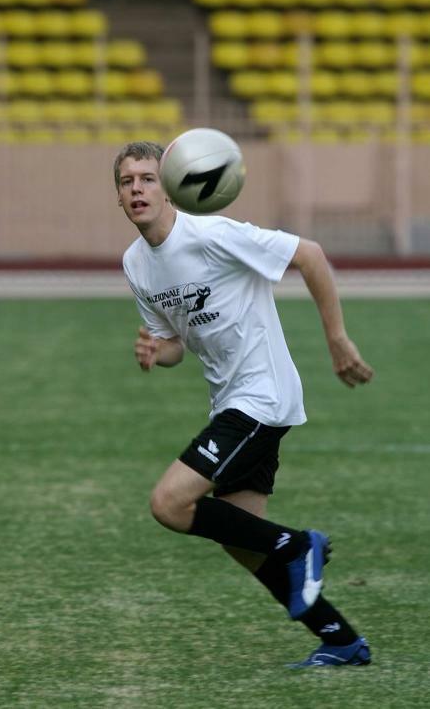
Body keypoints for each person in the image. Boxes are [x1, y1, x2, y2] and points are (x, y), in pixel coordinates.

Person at [115, 140, 374, 668]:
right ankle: (341, 640)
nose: (137, 188)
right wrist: (154, 351)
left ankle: (300, 544)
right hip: (229, 401)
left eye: (147, 177)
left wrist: (338, 339)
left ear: (170, 187)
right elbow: (174, 346)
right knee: (243, 541)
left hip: (262, 396)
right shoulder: (137, 263)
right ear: (118, 198)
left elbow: (311, 256)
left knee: (169, 503)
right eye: (126, 182)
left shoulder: (211, 233)